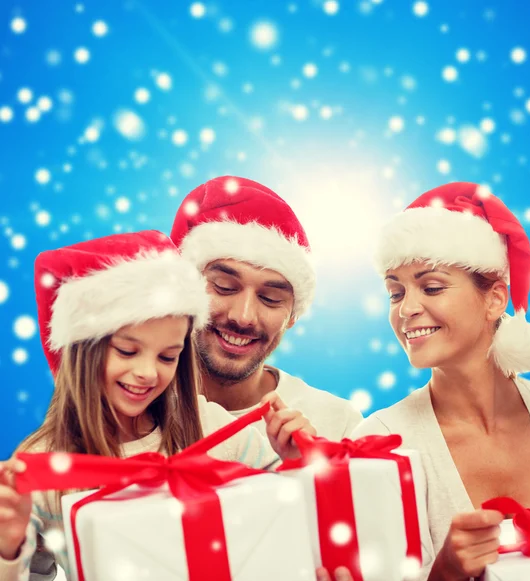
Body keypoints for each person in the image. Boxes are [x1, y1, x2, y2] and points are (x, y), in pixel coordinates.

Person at [0, 230, 314, 581]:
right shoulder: (45, 467)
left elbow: (288, 525)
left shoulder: (213, 428)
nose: (148, 373)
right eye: (127, 351)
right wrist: (9, 547)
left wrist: (297, 463)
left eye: (167, 357)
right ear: (82, 350)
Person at [352, 182, 530, 580]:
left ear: (495, 299)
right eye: (395, 293)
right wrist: (445, 573)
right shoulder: (381, 444)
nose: (407, 309)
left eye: (431, 287)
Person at [171, 176, 363, 441]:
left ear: (292, 316)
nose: (244, 316)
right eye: (224, 286)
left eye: (271, 298)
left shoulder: (337, 426)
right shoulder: (125, 409)